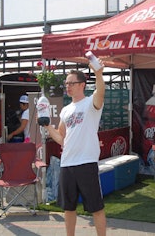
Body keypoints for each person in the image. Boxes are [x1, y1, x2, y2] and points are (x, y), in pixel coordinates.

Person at [44, 62, 106, 236]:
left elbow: (100, 93)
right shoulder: (65, 110)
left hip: (86, 162)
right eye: (66, 84)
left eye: (71, 83)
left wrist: (99, 74)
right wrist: (48, 127)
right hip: (67, 164)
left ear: (82, 85)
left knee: (96, 207)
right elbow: (61, 138)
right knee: (68, 208)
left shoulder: (90, 104)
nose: (68, 87)